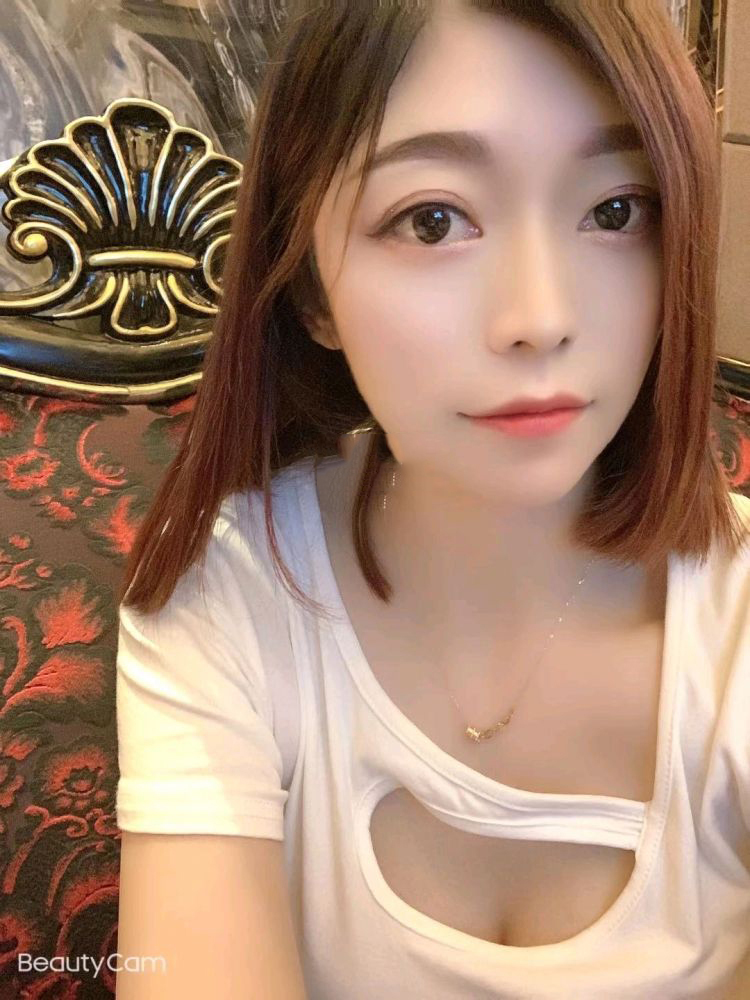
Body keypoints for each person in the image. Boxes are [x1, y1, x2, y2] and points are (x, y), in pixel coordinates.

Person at [113, 2, 750, 998]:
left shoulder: (731, 621)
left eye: (617, 210)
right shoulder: (232, 588)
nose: (540, 318)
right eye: (433, 220)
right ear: (310, 288)